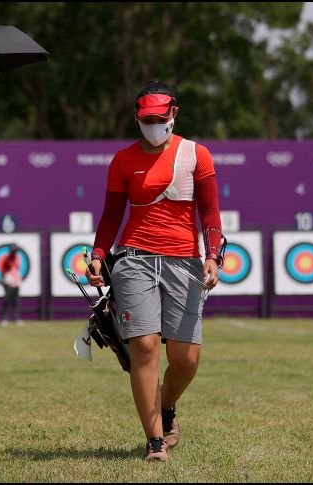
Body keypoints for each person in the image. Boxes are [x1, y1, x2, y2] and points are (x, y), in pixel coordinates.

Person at [86, 81, 223, 462]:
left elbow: (209, 213)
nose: (152, 126)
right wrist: (98, 254)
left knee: (185, 359)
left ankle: (166, 405)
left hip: (184, 260)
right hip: (134, 259)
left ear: (174, 114)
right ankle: (155, 441)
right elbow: (112, 214)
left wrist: (213, 255)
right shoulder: (123, 160)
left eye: (160, 119)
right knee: (144, 346)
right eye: (146, 120)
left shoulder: (197, 155)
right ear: (136, 118)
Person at [0, 243, 23, 326]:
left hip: (16, 281)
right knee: (7, 300)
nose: (14, 253)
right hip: (8, 281)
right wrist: (4, 279)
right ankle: (4, 319)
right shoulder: (5, 258)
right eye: (13, 251)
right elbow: (3, 269)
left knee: (15, 300)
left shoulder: (17, 258)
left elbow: (17, 269)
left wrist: (16, 280)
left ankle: (16, 318)